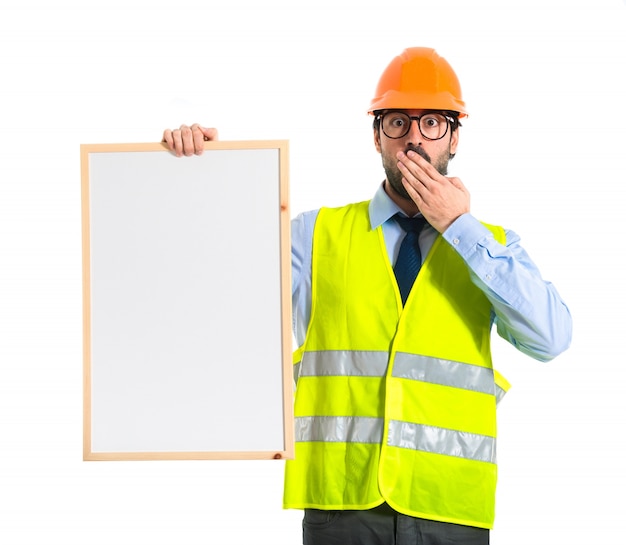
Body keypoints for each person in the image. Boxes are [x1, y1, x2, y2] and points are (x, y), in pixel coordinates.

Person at [163, 47, 572, 545]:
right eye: (398, 122)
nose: (415, 138)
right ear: (377, 135)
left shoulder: (491, 246)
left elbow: (552, 338)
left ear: (455, 137)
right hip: (340, 507)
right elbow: (209, 297)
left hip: (450, 508)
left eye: (432, 123)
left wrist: (461, 227)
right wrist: (201, 177)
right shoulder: (313, 236)